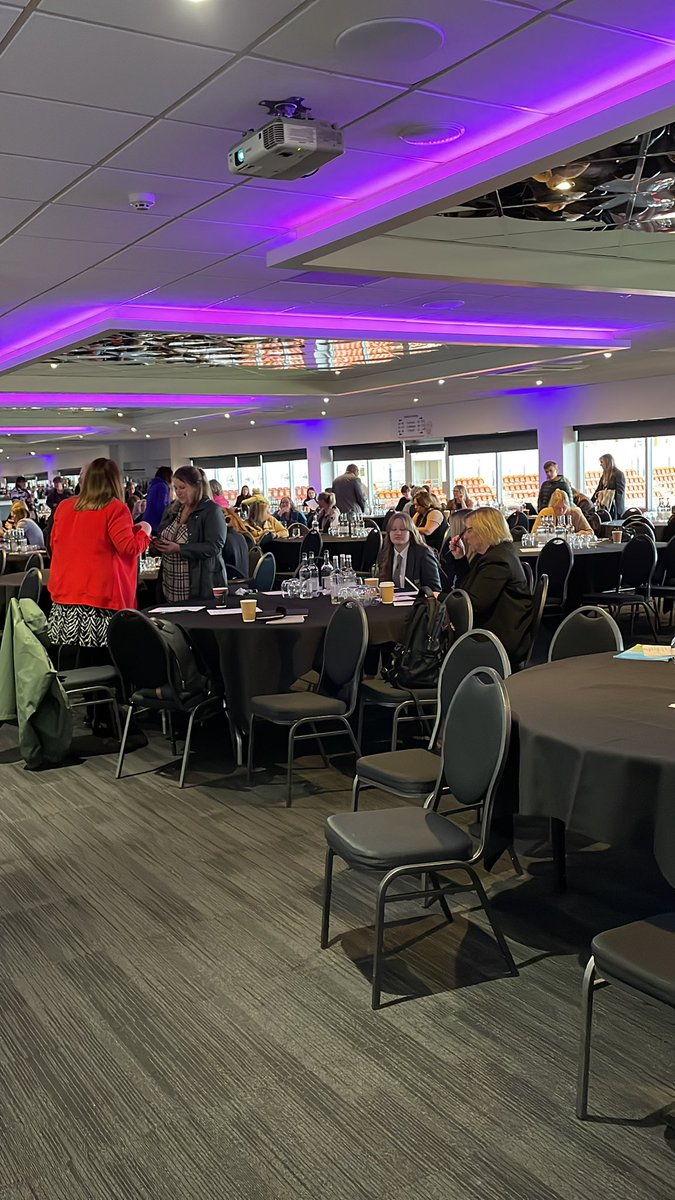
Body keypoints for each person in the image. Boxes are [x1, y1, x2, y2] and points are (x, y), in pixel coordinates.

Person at [47, 457, 151, 650]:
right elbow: (128, 548)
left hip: (65, 598)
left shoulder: (64, 507)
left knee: (70, 665)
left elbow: (55, 544)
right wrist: (145, 530)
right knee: (105, 663)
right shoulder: (115, 508)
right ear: (114, 481)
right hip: (101, 601)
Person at [448, 507, 534, 666]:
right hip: (502, 628)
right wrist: (460, 559)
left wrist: (440, 597)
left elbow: (473, 604)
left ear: (484, 530)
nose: (465, 537)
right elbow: (470, 587)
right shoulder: (497, 554)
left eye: (469, 530)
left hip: (499, 636)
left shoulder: (497, 561)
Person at [155, 465, 227, 601]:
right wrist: (156, 545)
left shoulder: (212, 511)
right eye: (175, 488)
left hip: (198, 587)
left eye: (182, 487)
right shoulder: (173, 510)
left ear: (196, 487)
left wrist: (179, 549)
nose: (178, 492)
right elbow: (162, 535)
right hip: (170, 586)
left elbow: (214, 546)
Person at [377, 513, 442, 591]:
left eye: (403, 529)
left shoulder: (424, 554)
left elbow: (435, 590)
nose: (398, 533)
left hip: (417, 601)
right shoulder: (384, 553)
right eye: (393, 529)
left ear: (410, 533)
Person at [591, 453, 626, 518]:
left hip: (615, 508)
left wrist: (609, 494)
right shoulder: (604, 476)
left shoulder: (619, 474)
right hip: (606, 507)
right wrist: (591, 502)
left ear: (607, 462)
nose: (600, 464)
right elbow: (599, 489)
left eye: (602, 462)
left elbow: (620, 492)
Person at [143, 467, 173, 534]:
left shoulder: (153, 485)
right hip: (156, 522)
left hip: (148, 520)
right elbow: (162, 505)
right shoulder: (162, 486)